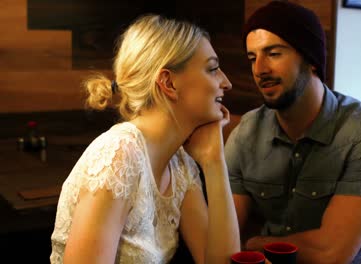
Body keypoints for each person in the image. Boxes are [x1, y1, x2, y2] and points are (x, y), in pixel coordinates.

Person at [50, 14, 240, 264]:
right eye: (212, 69)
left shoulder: (180, 164)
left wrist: (214, 161)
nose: (226, 83)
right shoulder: (119, 154)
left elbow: (222, 262)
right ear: (168, 82)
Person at [225, 1, 361, 263]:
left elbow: (330, 253)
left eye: (273, 53)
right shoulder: (246, 132)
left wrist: (253, 243)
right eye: (252, 57)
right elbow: (224, 234)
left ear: (311, 60)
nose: (259, 69)